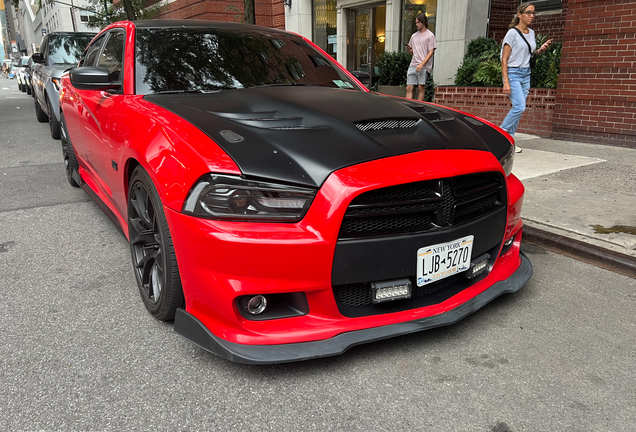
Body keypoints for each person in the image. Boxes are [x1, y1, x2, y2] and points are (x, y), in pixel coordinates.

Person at [500, 3, 552, 153]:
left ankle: (509, 142)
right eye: (528, 13)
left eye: (533, 13)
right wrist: (506, 82)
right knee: (519, 106)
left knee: (519, 109)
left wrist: (539, 51)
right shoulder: (512, 33)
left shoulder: (532, 33)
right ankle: (500, 135)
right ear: (519, 14)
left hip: (526, 74)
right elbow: (504, 59)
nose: (531, 16)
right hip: (513, 73)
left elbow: (527, 53)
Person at [405, 13, 436, 101]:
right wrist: (409, 49)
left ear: (423, 22)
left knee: (420, 87)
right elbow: (413, 53)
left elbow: (431, 52)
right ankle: (408, 106)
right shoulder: (414, 36)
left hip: (424, 65)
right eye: (416, 23)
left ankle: (419, 106)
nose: (417, 24)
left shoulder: (430, 35)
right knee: (409, 88)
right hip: (413, 64)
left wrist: (422, 64)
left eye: (418, 22)